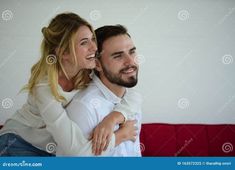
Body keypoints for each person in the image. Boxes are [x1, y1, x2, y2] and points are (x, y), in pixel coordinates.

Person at [0, 13, 140, 156]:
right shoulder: (45, 88)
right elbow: (78, 154)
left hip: (53, 146)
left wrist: (114, 118)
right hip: (18, 142)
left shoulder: (86, 70)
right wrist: (121, 136)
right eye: (84, 42)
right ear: (64, 52)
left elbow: (131, 93)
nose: (94, 47)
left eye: (93, 39)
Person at [62, 25, 142, 156]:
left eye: (132, 52)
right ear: (97, 64)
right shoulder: (84, 107)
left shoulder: (131, 99)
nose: (130, 62)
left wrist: (112, 119)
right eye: (118, 56)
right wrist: (118, 136)